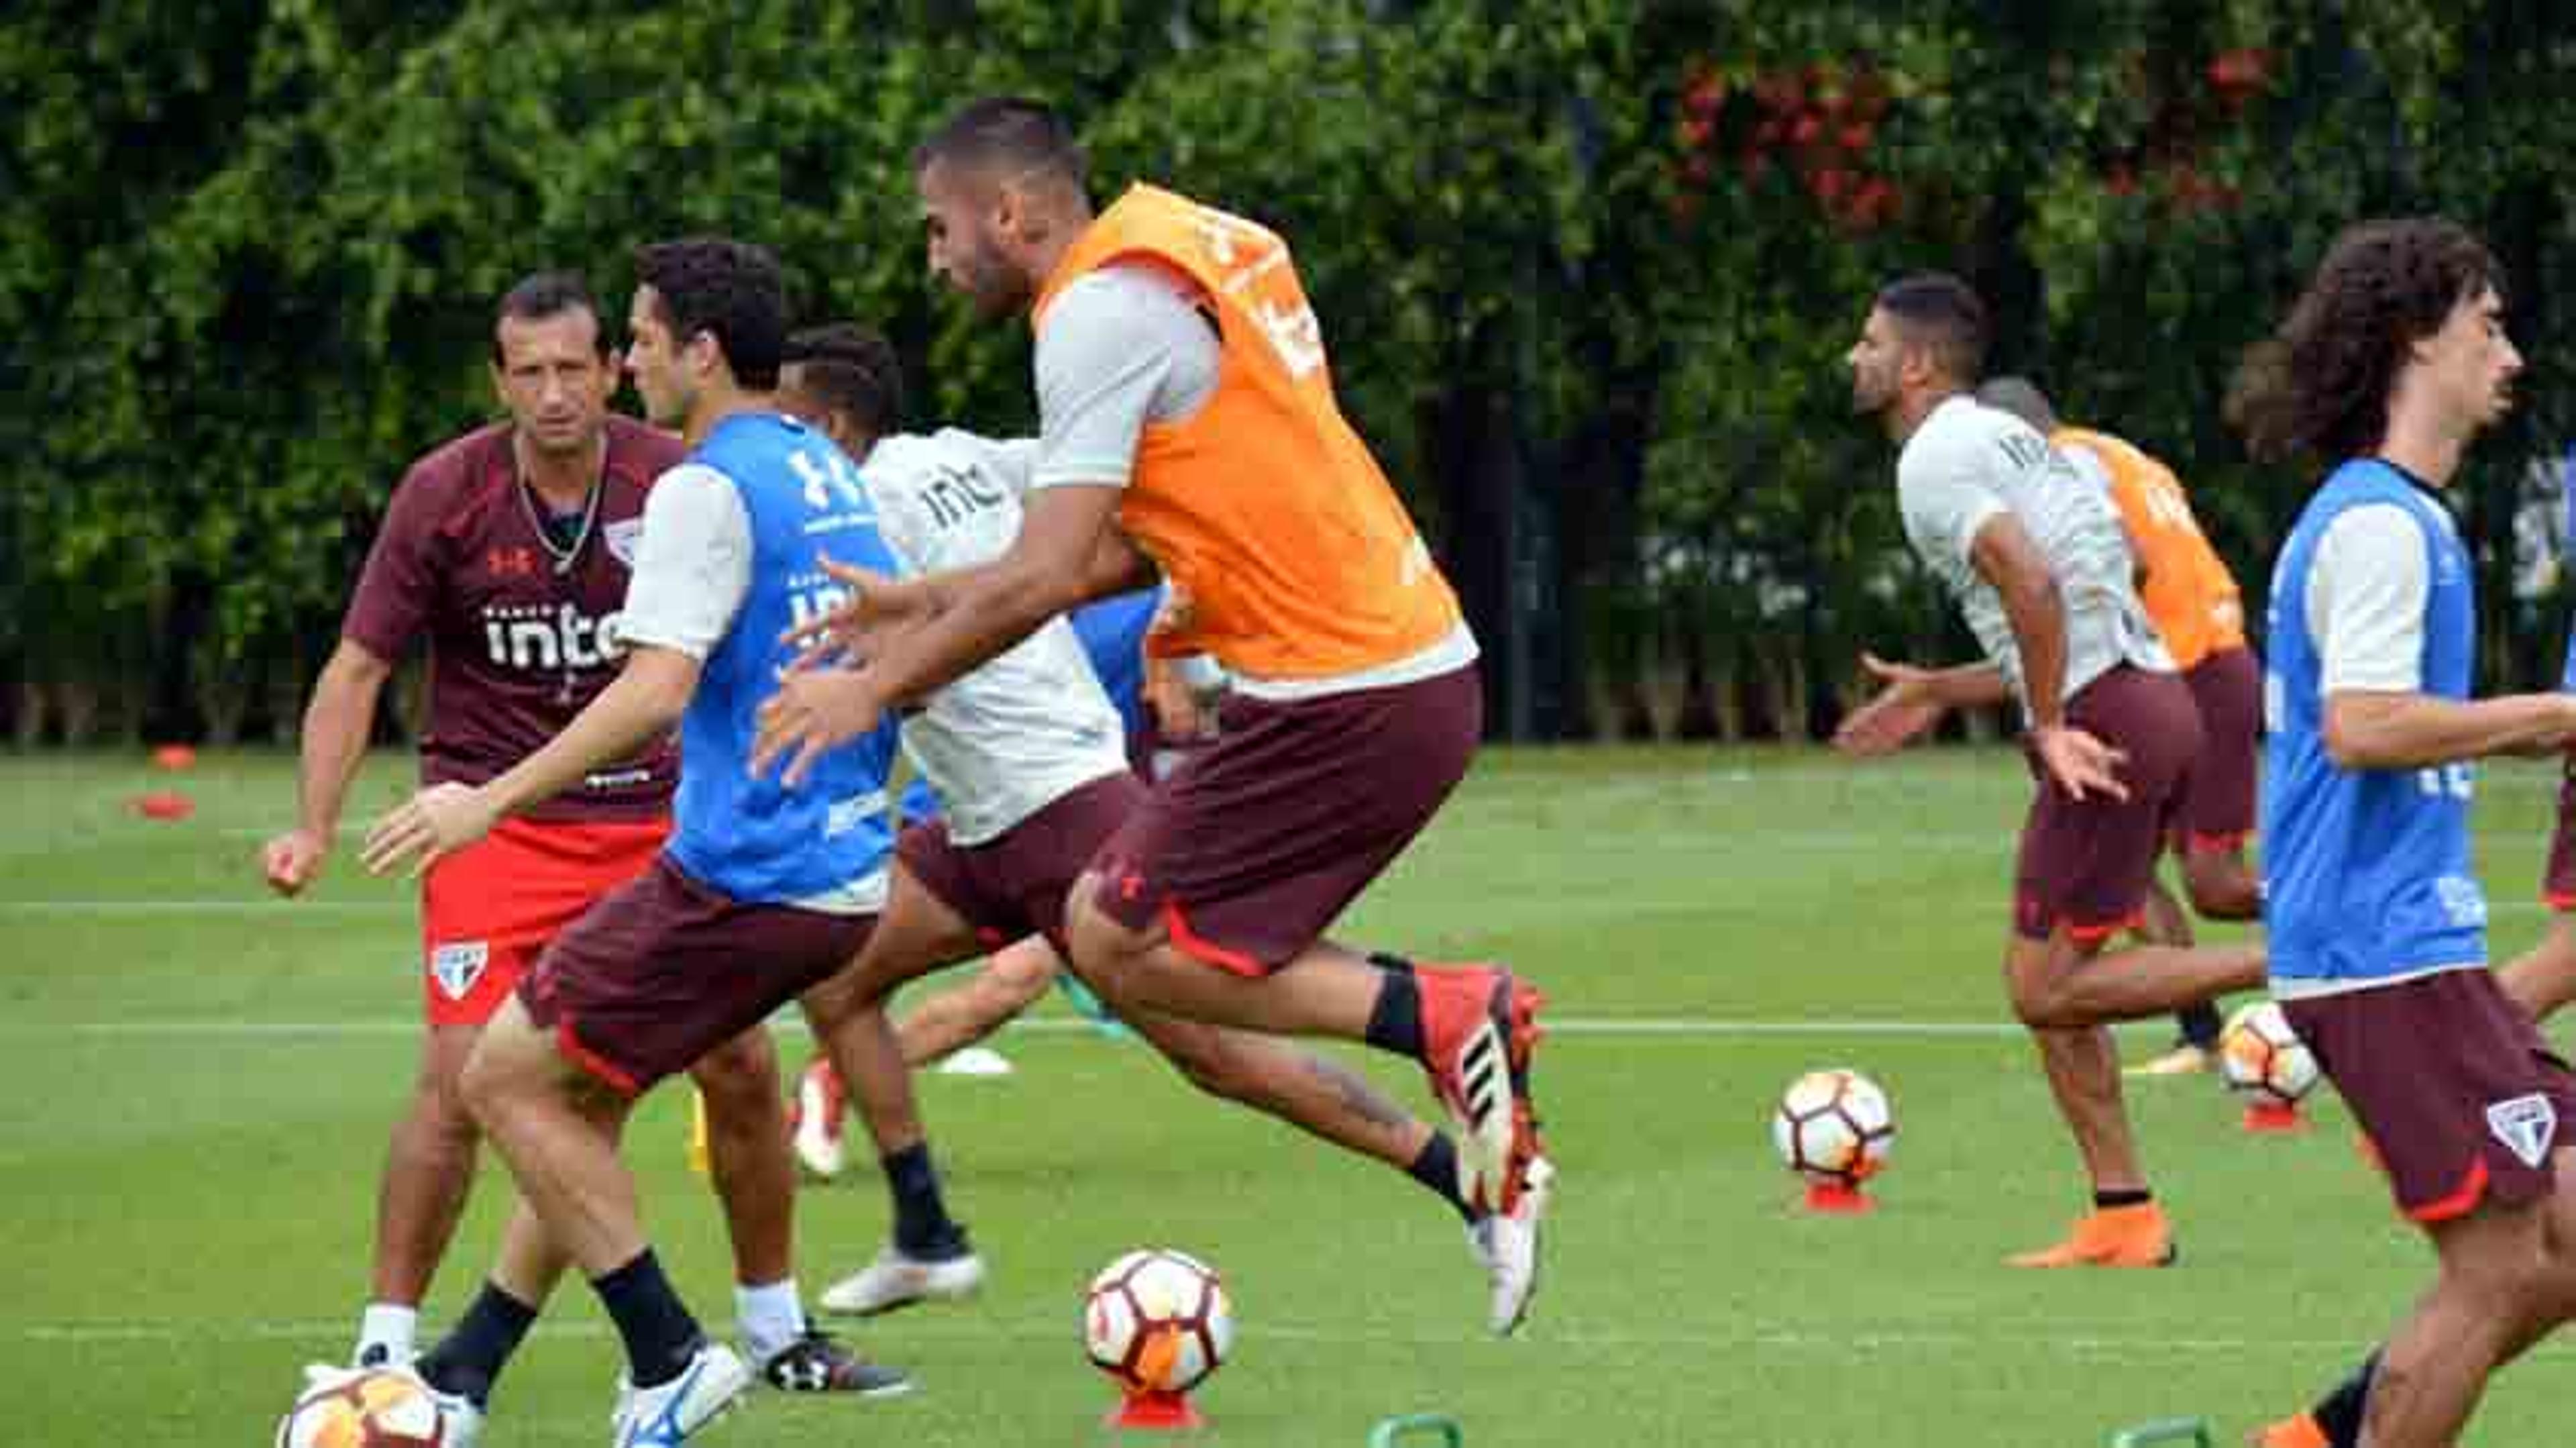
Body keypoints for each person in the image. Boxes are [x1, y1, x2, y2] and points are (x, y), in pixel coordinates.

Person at [750, 97, 1554, 1331]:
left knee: (1138, 959)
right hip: (1385, 668)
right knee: (1081, 958)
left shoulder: (1089, 314)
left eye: (937, 227)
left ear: (1008, 212)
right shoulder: (1183, 246)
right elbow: (1126, 549)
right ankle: (925, 1227)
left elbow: (1052, 574)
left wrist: (873, 681)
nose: (936, 255)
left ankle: (1449, 1016)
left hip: (1343, 688)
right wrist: (920, 598)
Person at [355, 238, 926, 1445]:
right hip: (837, 868)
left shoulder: (700, 486)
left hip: (742, 874)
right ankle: (467, 1364)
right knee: (578, 1092)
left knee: (502, 1076)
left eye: (643, 337)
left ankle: (670, 1354)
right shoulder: (819, 467)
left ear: (700, 351)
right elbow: (898, 656)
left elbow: (654, 689)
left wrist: (483, 801)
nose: (634, 361)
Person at [1832, 273, 2265, 1269]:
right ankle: (2123, 1209)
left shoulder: (1935, 457)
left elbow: (2032, 584)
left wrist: (2054, 722)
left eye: (1867, 343)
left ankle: (2301, 965)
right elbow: (2104, 583)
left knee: (2044, 984)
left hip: (2112, 714)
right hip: (2150, 697)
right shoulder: (2008, 437)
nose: (1853, 359)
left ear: (1916, 365)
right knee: (2058, 967)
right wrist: (1941, 689)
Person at [2231, 219, 2576, 1448]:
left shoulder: (2399, 514)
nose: (2512, 353)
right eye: (2489, 322)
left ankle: (2316, 1436)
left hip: (2416, 947)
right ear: (2416, 336)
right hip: (2380, 956)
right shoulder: (2379, 524)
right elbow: (2365, 726)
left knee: (2567, 1236)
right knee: (2494, 1268)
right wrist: (2552, 717)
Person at [1976, 377, 2263, 1076]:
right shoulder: (2122, 453)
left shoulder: (2059, 466)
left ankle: (2339, 930)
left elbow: (2126, 567)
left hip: (2174, 670)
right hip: (2207, 663)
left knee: (2212, 886)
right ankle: (2201, 1032)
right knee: (2132, 870)